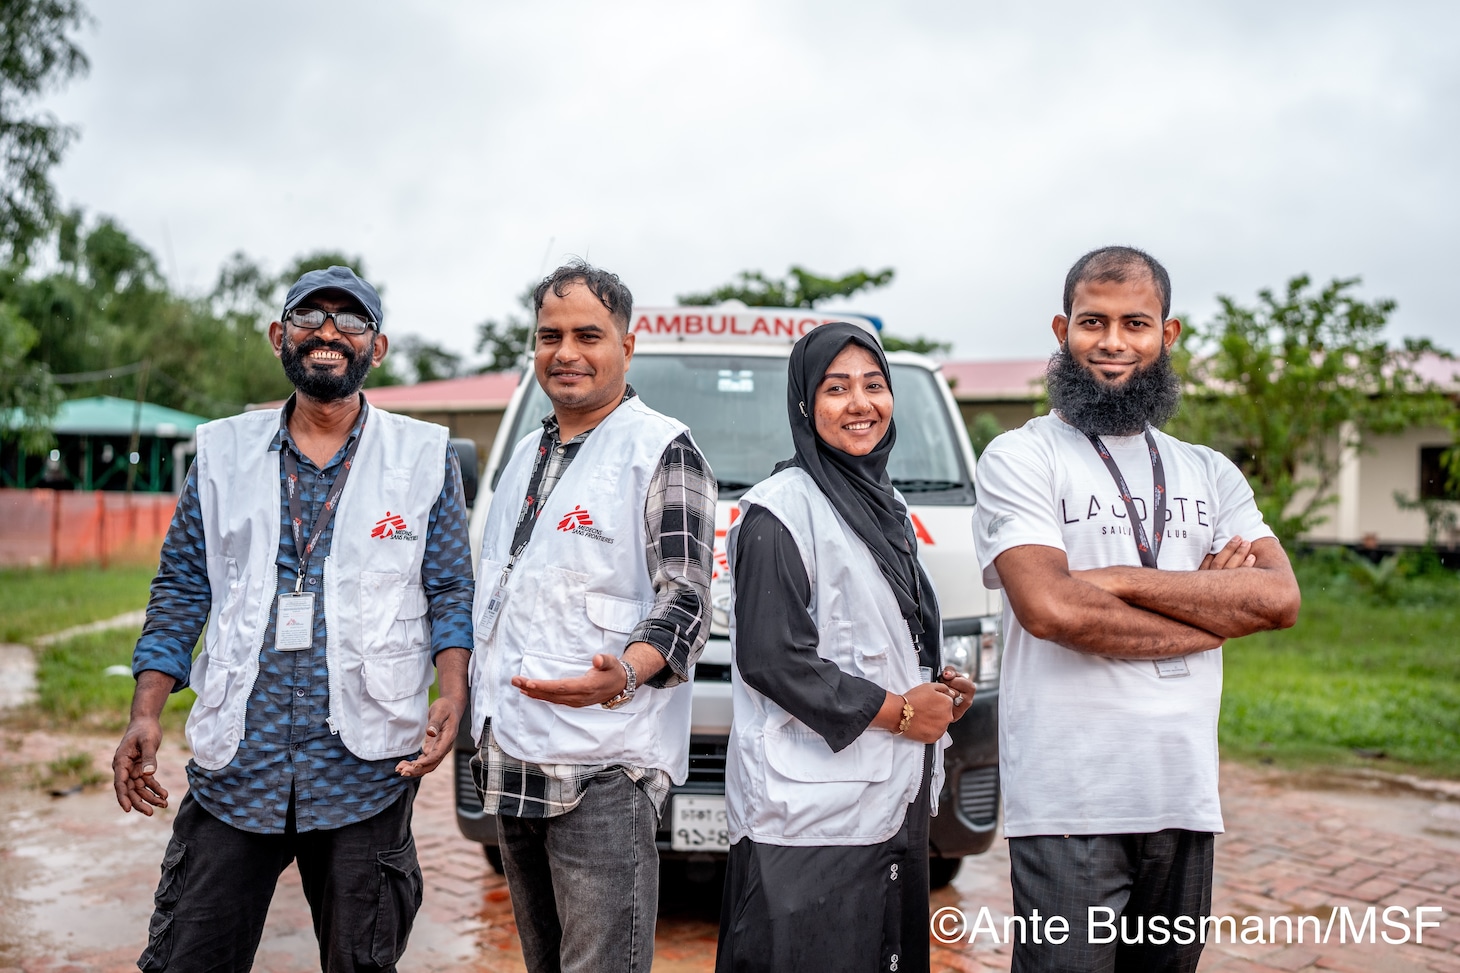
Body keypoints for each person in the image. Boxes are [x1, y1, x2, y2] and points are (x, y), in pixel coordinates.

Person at [112, 265, 474, 973]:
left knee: (360, 962)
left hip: (365, 769)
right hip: (238, 765)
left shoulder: (424, 457)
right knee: (186, 958)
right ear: (280, 336)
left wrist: (453, 694)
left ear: (378, 347)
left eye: (351, 320)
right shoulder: (222, 453)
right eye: (311, 316)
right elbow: (181, 585)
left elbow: (449, 589)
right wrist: (145, 712)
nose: (329, 332)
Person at [972, 246, 1302, 973]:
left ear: (1167, 334)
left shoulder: (1208, 471)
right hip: (1069, 803)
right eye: (1093, 321)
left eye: (1135, 323)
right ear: (1062, 330)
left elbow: (1279, 598)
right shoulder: (1021, 458)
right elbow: (1051, 609)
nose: (1113, 341)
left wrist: (1116, 579)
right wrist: (1210, 614)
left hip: (1184, 796)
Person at [469, 260, 716, 973]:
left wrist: (626, 673)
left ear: (626, 347)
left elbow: (687, 598)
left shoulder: (661, 450)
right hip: (514, 756)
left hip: (603, 770)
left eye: (588, 335)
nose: (566, 352)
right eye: (550, 336)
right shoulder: (524, 454)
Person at [715, 322, 976, 973]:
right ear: (805, 405)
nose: (860, 403)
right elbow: (774, 658)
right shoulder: (779, 512)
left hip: (886, 802)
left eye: (873, 384)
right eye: (836, 388)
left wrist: (934, 687)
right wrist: (903, 712)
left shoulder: (884, 503)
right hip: (808, 820)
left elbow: (880, 630)